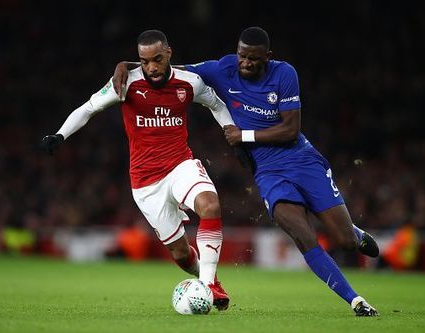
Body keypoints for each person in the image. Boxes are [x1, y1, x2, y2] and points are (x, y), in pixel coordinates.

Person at [113, 26, 379, 316]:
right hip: (267, 172)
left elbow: (291, 130)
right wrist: (124, 65)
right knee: (303, 236)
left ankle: (351, 231)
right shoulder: (223, 69)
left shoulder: (285, 74)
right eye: (242, 56)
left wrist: (244, 136)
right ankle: (356, 300)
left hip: (302, 161)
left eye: (253, 58)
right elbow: (165, 67)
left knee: (345, 242)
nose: (246, 63)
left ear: (268, 57)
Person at [40, 30, 233, 310]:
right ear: (138, 60)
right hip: (145, 183)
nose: (151, 67)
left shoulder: (189, 83)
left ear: (169, 53)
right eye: (144, 62)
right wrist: (60, 135)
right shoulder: (126, 83)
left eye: (157, 59)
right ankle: (206, 278)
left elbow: (217, 104)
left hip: (181, 165)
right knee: (180, 254)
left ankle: (208, 286)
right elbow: (89, 108)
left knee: (210, 205)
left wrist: (230, 130)